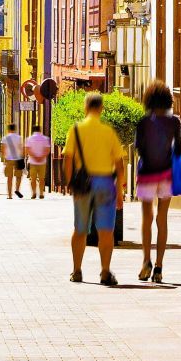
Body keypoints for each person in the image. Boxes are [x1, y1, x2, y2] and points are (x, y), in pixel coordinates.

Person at [64, 92, 125, 286]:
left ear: (85, 107)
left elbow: (68, 158)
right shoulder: (108, 132)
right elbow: (119, 164)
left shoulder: (76, 130)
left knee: (80, 229)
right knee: (106, 231)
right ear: (101, 109)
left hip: (83, 184)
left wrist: (69, 183)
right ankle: (105, 272)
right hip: (106, 184)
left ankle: (76, 271)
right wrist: (120, 191)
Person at [134, 82, 181, 283]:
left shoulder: (143, 122)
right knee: (162, 220)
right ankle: (159, 268)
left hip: (147, 173)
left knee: (147, 219)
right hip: (165, 174)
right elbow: (178, 150)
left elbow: (139, 148)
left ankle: (146, 261)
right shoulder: (174, 122)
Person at [24, 126, 53, 199]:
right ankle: (41, 193)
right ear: (40, 130)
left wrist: (34, 157)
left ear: (33, 131)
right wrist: (41, 157)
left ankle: (33, 193)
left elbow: (27, 150)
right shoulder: (45, 139)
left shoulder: (29, 139)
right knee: (42, 179)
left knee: (32, 179)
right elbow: (47, 150)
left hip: (33, 162)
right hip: (42, 162)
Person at [0, 124, 25, 199]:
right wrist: (22, 156)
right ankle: (17, 189)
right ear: (15, 129)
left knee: (9, 178)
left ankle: (9, 195)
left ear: (8, 129)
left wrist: (4, 159)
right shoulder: (19, 137)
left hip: (9, 159)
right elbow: (21, 148)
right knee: (18, 176)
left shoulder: (5, 138)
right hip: (18, 159)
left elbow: (2, 149)